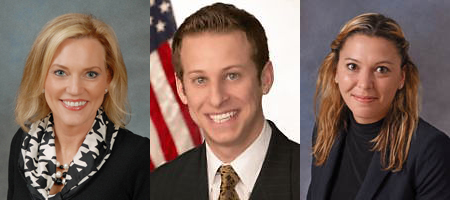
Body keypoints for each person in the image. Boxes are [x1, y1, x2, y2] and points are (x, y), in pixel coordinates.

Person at [150, 3, 299, 200]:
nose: (217, 99)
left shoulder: (312, 177)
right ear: (181, 89)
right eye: (200, 80)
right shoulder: (157, 188)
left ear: (265, 78)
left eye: (232, 76)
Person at [307, 13, 450, 200]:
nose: (365, 84)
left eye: (381, 69)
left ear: (401, 77)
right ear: (335, 71)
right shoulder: (326, 131)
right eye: (352, 66)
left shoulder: (432, 150)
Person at [8, 13, 149, 200]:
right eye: (60, 72)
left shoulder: (138, 156)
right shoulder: (24, 143)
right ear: (41, 78)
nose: (74, 89)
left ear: (108, 79)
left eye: (90, 74)